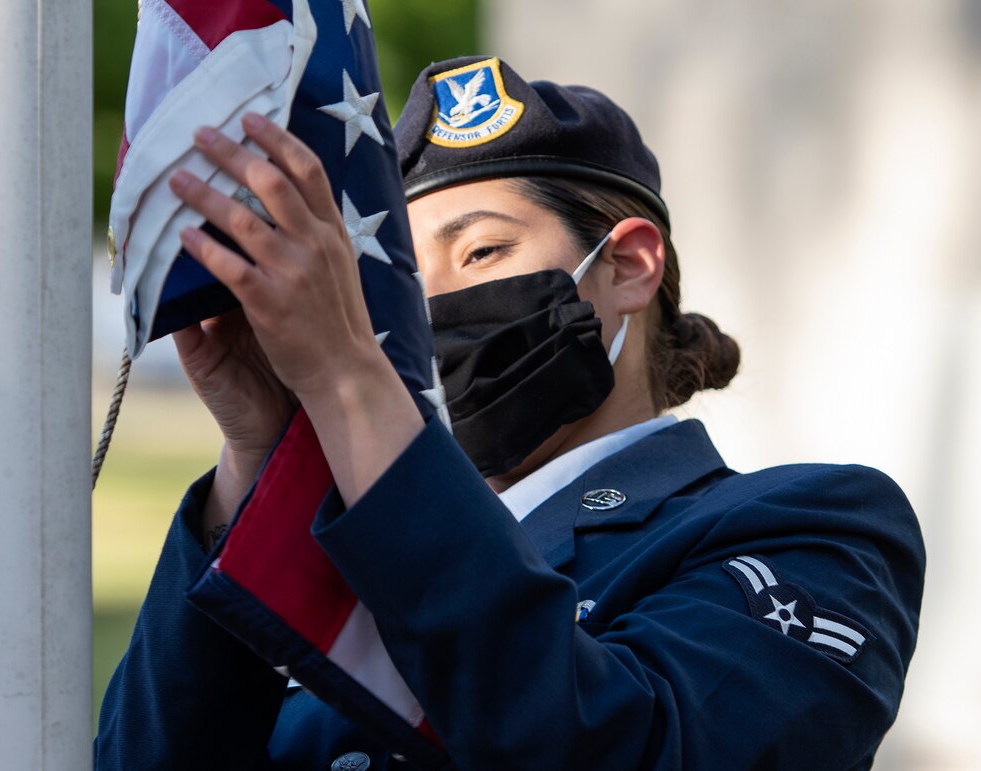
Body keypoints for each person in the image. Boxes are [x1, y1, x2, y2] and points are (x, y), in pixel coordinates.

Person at [96, 56, 924, 770]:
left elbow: (618, 746)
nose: (431, 308)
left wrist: (352, 382)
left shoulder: (814, 528)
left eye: (482, 250)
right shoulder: (350, 554)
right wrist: (260, 452)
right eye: (399, 281)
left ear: (630, 265)